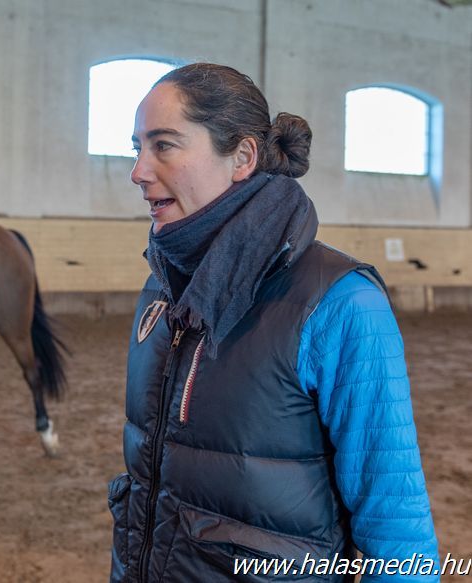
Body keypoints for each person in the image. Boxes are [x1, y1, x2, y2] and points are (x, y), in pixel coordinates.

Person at [110, 62, 439, 582]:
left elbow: (396, 522)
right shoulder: (162, 285)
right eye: (137, 148)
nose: (138, 171)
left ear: (242, 157)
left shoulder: (341, 302)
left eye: (164, 145)